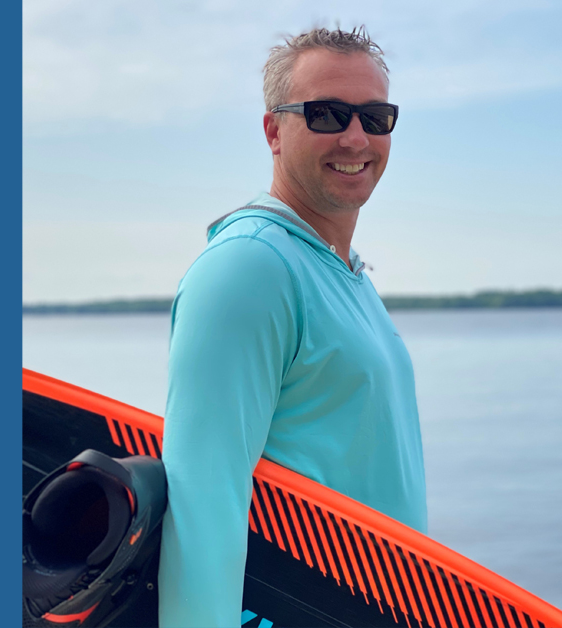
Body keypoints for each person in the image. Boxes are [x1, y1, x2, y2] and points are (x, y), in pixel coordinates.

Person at [158, 26, 426, 627]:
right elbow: (202, 500)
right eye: (326, 114)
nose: (356, 136)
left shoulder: (343, 273)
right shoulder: (250, 267)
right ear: (274, 130)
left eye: (375, 116)